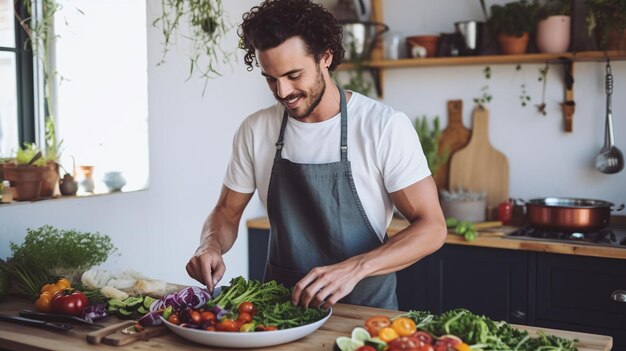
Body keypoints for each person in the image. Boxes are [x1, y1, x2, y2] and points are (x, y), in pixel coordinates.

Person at [186, 0, 447, 310]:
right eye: (271, 78)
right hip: (281, 311)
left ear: (326, 57)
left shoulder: (383, 126)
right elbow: (227, 212)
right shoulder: (256, 130)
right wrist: (210, 244)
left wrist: (355, 268)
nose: (282, 91)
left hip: (364, 313)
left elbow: (432, 227)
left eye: (294, 75)